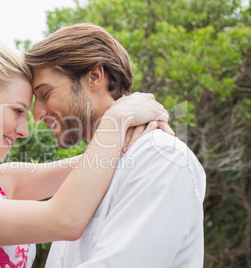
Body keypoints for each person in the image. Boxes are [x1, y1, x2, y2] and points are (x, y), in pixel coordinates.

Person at [0, 33, 169, 268]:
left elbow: (102, 159)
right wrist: (117, 119)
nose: (24, 130)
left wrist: (135, 118)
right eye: (18, 111)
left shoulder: (0, 182)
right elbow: (65, 219)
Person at [24, 23, 206, 267]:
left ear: (95, 77)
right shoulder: (87, 173)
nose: (36, 114)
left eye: (45, 93)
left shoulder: (160, 158)